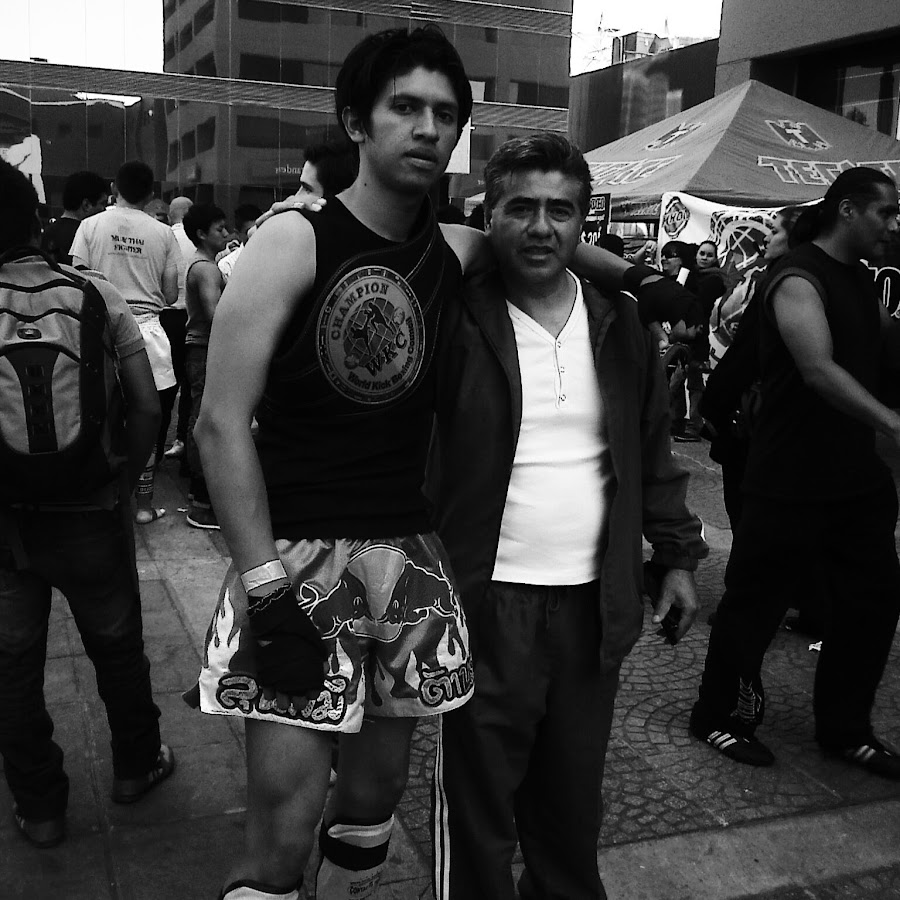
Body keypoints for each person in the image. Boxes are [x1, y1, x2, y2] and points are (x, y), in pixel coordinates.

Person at [187, 27, 480, 900]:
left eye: (445, 114)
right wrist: (265, 590)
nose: (427, 129)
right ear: (356, 120)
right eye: (405, 107)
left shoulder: (456, 249)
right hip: (297, 556)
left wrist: (640, 284)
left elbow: (549, 240)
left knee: (372, 803)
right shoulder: (295, 240)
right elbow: (218, 425)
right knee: (283, 829)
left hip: (406, 555)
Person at [427, 133, 707, 900]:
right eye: (521, 208)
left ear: (585, 223)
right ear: (489, 216)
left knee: (571, 810)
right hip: (484, 607)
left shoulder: (620, 326)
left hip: (593, 611)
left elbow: (653, 454)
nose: (541, 227)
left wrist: (676, 556)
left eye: (561, 210)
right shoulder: (452, 318)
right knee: (478, 815)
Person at [690, 167, 900, 775]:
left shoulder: (858, 277)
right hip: (789, 476)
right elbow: (818, 368)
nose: (894, 225)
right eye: (885, 212)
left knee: (873, 600)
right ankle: (718, 716)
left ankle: (846, 728)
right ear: (847, 210)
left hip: (854, 477)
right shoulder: (796, 276)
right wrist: (892, 422)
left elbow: (887, 341)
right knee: (755, 603)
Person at [0, 159, 174, 851]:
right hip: (90, 511)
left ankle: (41, 807)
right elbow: (145, 405)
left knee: (12, 670)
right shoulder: (95, 295)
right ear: (35, 222)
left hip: (4, 524)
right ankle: (136, 766)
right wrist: (123, 483)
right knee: (118, 649)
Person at [71, 160, 180, 525]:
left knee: (99, 418)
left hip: (98, 331)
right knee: (146, 421)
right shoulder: (162, 233)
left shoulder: (90, 226)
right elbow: (169, 293)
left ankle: (97, 496)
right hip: (148, 336)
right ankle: (142, 504)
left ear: (114, 187)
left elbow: (78, 279)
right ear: (151, 194)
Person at [181, 203, 229, 530]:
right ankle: (201, 502)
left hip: (199, 348)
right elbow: (215, 313)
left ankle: (198, 493)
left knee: (199, 416)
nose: (225, 233)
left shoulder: (203, 265)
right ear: (201, 234)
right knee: (203, 420)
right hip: (205, 347)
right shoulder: (206, 269)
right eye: (219, 229)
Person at [160, 195, 195, 464]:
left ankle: (157, 442)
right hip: (193, 317)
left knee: (165, 384)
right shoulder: (199, 239)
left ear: (172, 214)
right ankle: (183, 440)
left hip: (166, 317)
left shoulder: (164, 237)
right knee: (190, 384)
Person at [40, 170, 108, 265]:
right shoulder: (91, 236)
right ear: (86, 205)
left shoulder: (45, 235)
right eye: (102, 204)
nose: (105, 210)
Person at [216, 203, 262, 283]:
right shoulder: (227, 265)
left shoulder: (274, 256)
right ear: (238, 234)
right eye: (248, 232)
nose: (254, 235)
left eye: (258, 230)